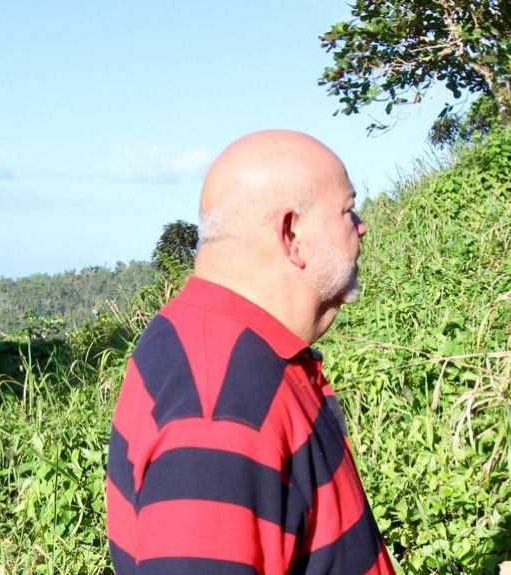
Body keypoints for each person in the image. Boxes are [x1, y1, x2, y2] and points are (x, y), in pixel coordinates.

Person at [105, 130, 396, 574]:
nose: (362, 226)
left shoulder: (231, 343)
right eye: (347, 210)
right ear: (291, 233)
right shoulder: (220, 408)